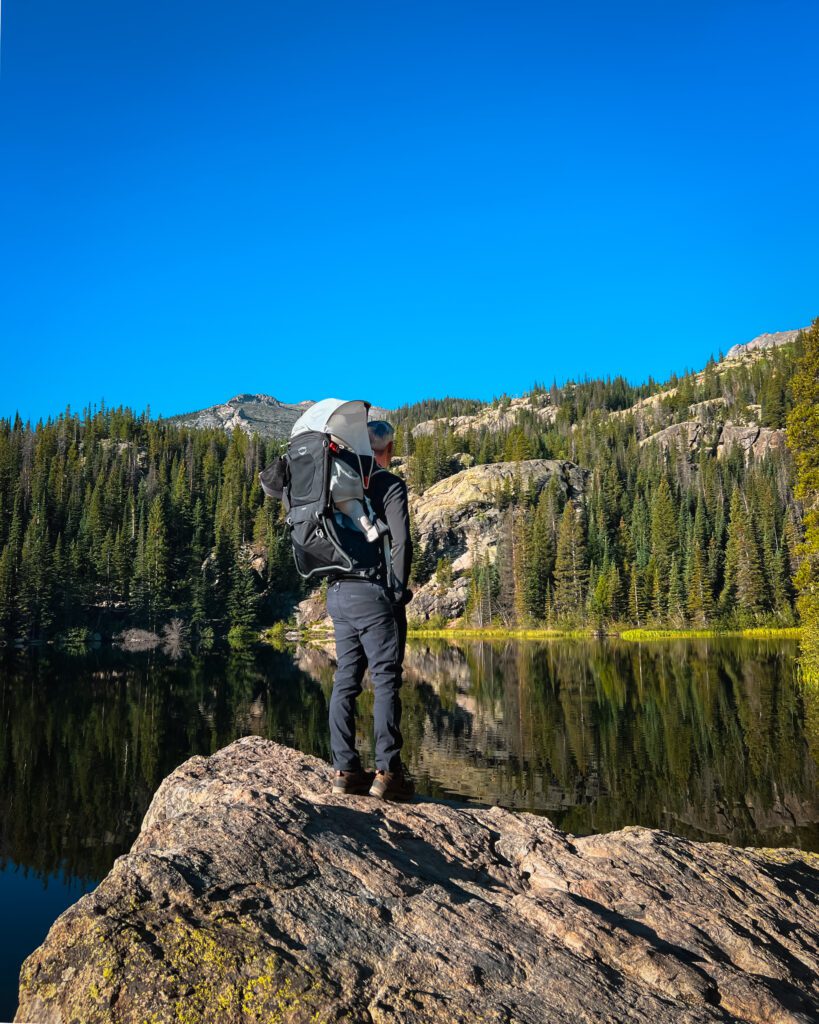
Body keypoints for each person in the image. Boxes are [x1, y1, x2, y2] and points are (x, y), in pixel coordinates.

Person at [327, 418, 414, 800]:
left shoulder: (332, 486)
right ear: (387, 450)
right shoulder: (389, 484)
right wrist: (396, 590)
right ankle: (386, 773)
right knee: (385, 679)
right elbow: (402, 542)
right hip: (373, 593)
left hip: (337, 593)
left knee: (346, 678)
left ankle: (345, 771)